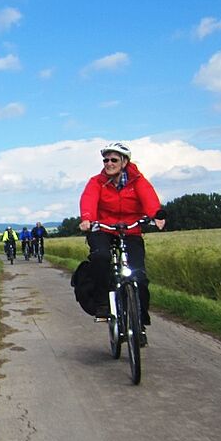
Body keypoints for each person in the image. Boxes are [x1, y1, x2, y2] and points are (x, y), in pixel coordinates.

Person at [78, 142, 166, 341]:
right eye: (106, 160)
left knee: (139, 277)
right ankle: (102, 303)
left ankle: (140, 322)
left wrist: (156, 215)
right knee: (100, 257)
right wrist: (87, 218)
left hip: (130, 229)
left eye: (114, 160)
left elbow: (149, 198)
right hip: (103, 228)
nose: (109, 163)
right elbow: (89, 199)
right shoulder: (97, 182)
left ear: (125, 162)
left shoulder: (137, 181)